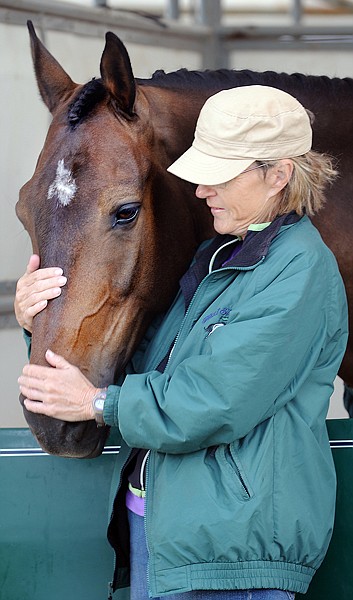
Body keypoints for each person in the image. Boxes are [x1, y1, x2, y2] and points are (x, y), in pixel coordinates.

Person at [15, 85, 348, 600]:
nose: (200, 189)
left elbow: (216, 400)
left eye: (222, 173)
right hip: (173, 540)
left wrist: (96, 404)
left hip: (234, 557)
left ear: (277, 174)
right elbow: (150, 367)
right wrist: (37, 322)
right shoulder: (215, 262)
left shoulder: (299, 268)